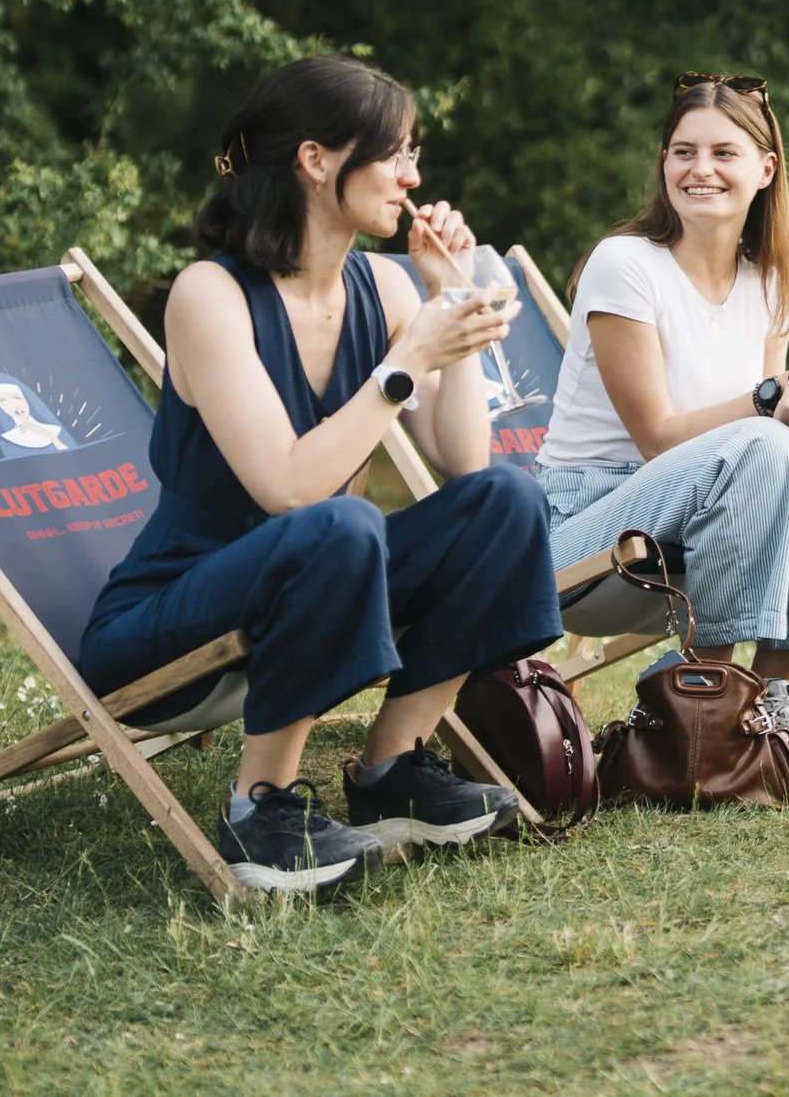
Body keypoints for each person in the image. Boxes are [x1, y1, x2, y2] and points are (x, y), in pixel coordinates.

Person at [79, 56, 563, 896]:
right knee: (341, 521)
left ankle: (391, 770)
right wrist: (404, 365)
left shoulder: (385, 285)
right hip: (169, 614)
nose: (415, 176)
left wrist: (450, 311)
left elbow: (467, 463)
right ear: (315, 160)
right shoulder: (211, 295)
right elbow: (289, 490)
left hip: (320, 576)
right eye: (396, 153)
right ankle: (259, 805)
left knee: (507, 500)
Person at [535, 74, 789, 751]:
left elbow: (768, 442)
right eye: (682, 151)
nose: (699, 169)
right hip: (588, 533)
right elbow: (660, 440)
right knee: (764, 444)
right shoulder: (626, 265)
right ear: (664, 163)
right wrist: (769, 401)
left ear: (766, 168)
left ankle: (769, 695)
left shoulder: (774, 278)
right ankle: (706, 698)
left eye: (723, 153)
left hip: (698, 535)